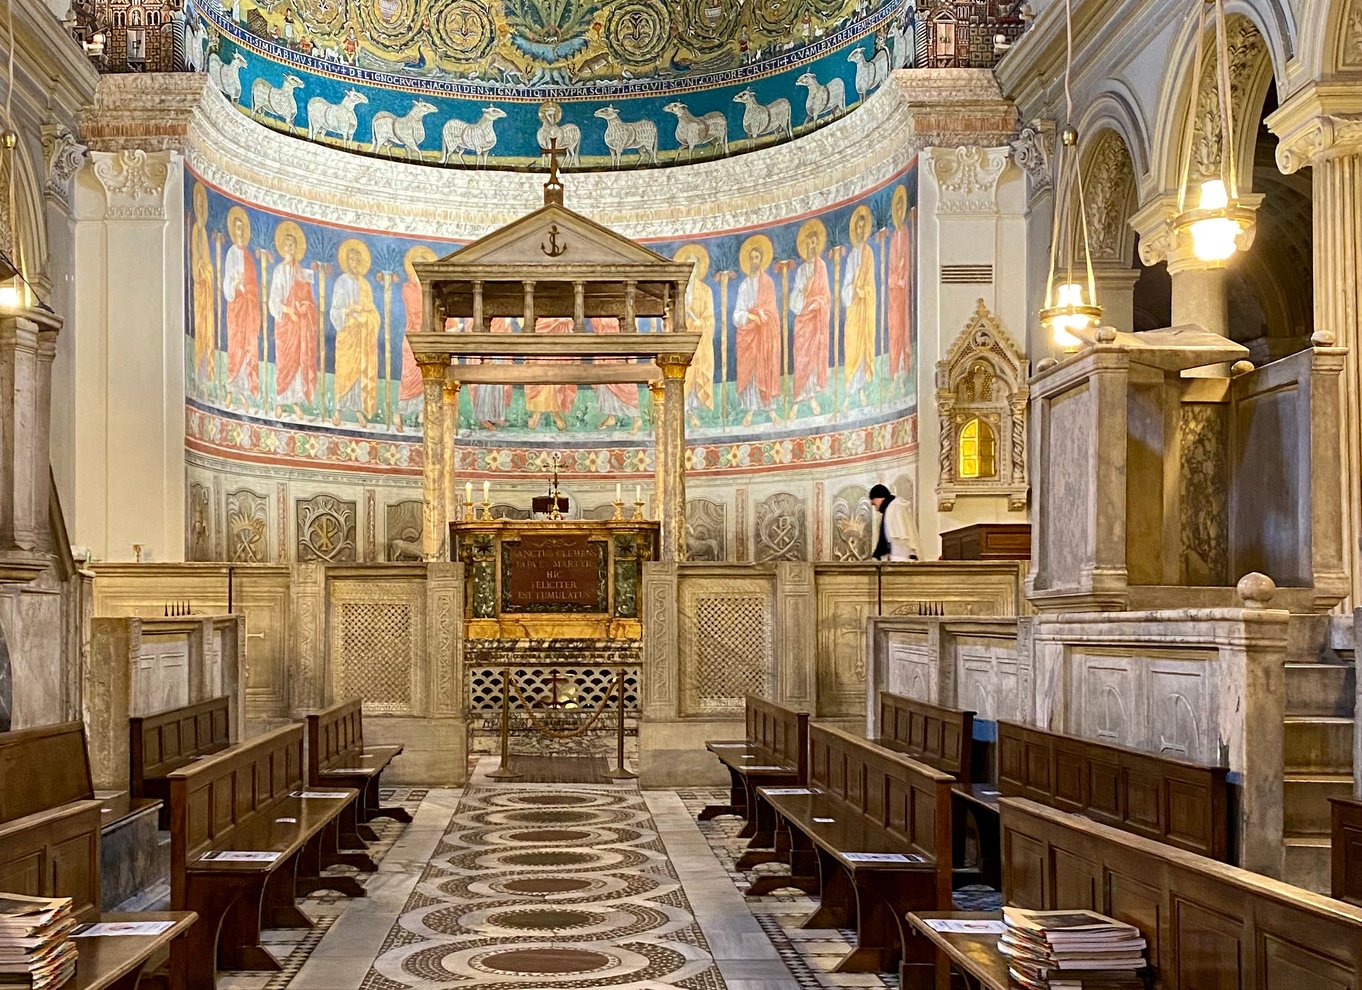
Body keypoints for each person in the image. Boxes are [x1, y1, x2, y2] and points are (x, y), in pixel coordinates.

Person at [869, 483, 920, 561]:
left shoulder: (894, 508)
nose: (876, 509)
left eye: (874, 504)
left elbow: (898, 538)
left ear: (879, 497)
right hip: (900, 556)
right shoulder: (892, 507)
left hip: (901, 556)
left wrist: (877, 555)